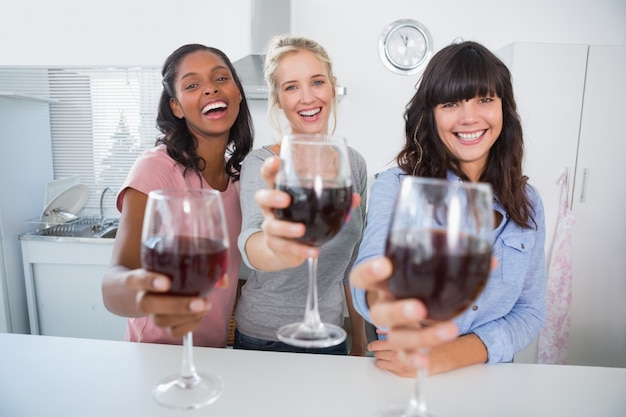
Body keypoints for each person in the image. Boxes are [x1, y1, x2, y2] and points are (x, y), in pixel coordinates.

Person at [350, 40, 547, 376]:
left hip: (490, 376)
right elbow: (372, 271)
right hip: (406, 370)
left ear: (504, 109)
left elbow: (530, 311)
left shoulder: (528, 202)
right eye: (451, 103)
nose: (469, 118)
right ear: (431, 114)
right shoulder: (397, 185)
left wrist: (455, 354)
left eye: (485, 99)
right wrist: (383, 301)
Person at [101, 44, 254, 346]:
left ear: (237, 92)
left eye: (221, 78)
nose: (210, 89)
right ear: (176, 107)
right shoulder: (154, 168)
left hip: (212, 357)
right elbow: (112, 285)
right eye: (193, 85)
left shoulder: (240, 179)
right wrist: (147, 292)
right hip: (156, 356)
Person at [234, 34, 368, 355]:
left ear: (332, 86)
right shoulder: (263, 163)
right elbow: (251, 241)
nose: (307, 98)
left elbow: (353, 263)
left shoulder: (354, 164)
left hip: (331, 332)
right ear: (278, 99)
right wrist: (278, 248)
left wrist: (361, 340)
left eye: (317, 82)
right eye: (291, 86)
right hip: (264, 336)